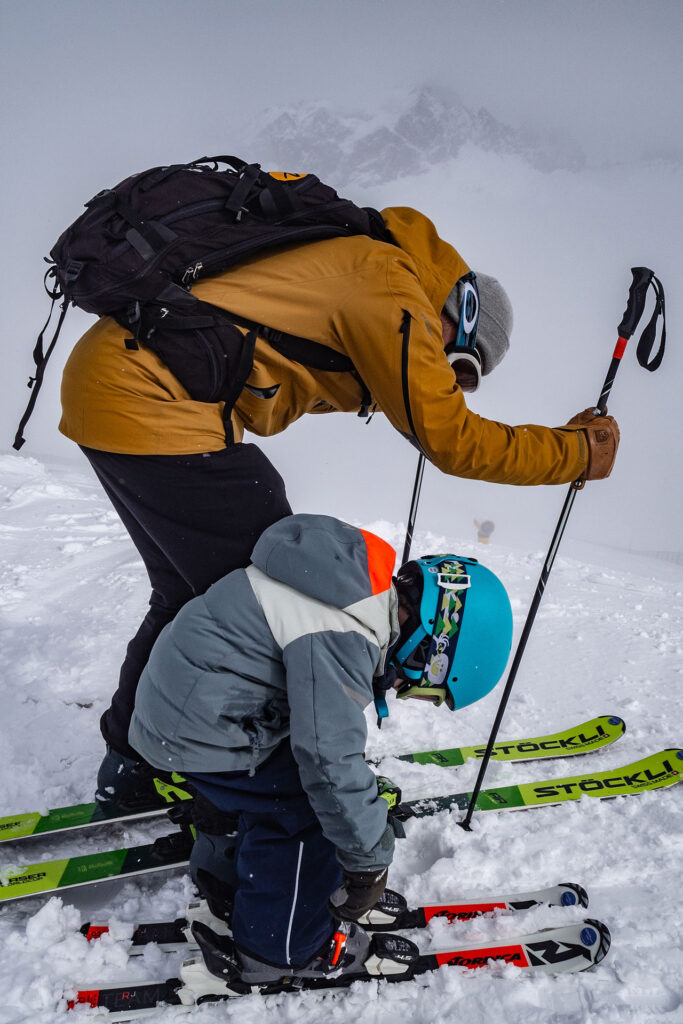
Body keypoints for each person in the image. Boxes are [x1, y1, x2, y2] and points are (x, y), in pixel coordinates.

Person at [57, 202, 619, 798]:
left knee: (197, 593)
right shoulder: (391, 289)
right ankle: (249, 783)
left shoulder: (382, 278)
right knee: (279, 595)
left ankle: (138, 763)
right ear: (463, 311)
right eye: (463, 361)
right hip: (148, 400)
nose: (454, 376)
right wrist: (575, 454)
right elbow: (455, 441)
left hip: (120, 388)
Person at [126, 513, 514, 986]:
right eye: (420, 683)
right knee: (309, 813)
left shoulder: (345, 589)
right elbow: (328, 761)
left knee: (313, 792)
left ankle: (249, 881)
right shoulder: (343, 632)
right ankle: (281, 949)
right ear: (433, 647)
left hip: (192, 714)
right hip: (199, 732)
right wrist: (368, 859)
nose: (399, 684)